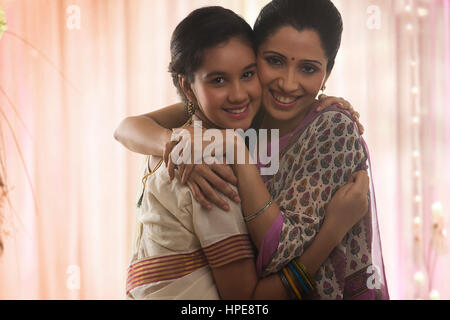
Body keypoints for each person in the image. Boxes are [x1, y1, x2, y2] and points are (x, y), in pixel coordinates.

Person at [123, 6, 370, 300]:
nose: (288, 83)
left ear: (327, 72)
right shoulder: (212, 161)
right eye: (274, 61)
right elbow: (247, 302)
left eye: (308, 68)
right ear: (188, 88)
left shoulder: (235, 122)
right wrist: (333, 230)